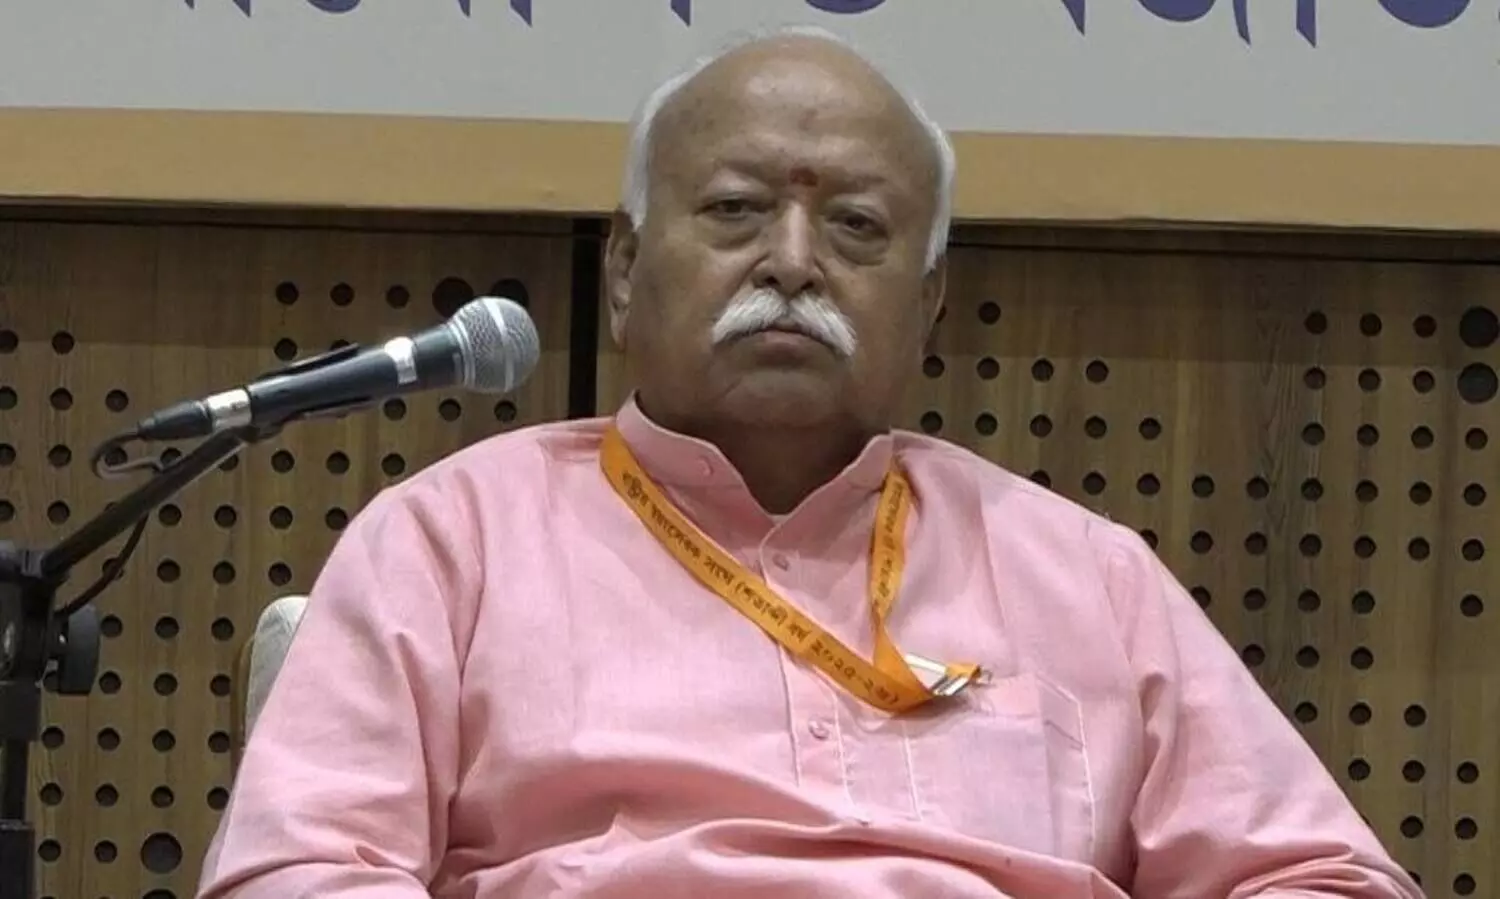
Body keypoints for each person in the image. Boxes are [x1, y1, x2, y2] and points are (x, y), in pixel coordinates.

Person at [195, 25, 1424, 899]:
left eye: (856, 226)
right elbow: (298, 869)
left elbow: (1325, 873)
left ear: (928, 305)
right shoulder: (449, 540)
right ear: (624, 270)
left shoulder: (1085, 574)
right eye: (736, 210)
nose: (792, 261)